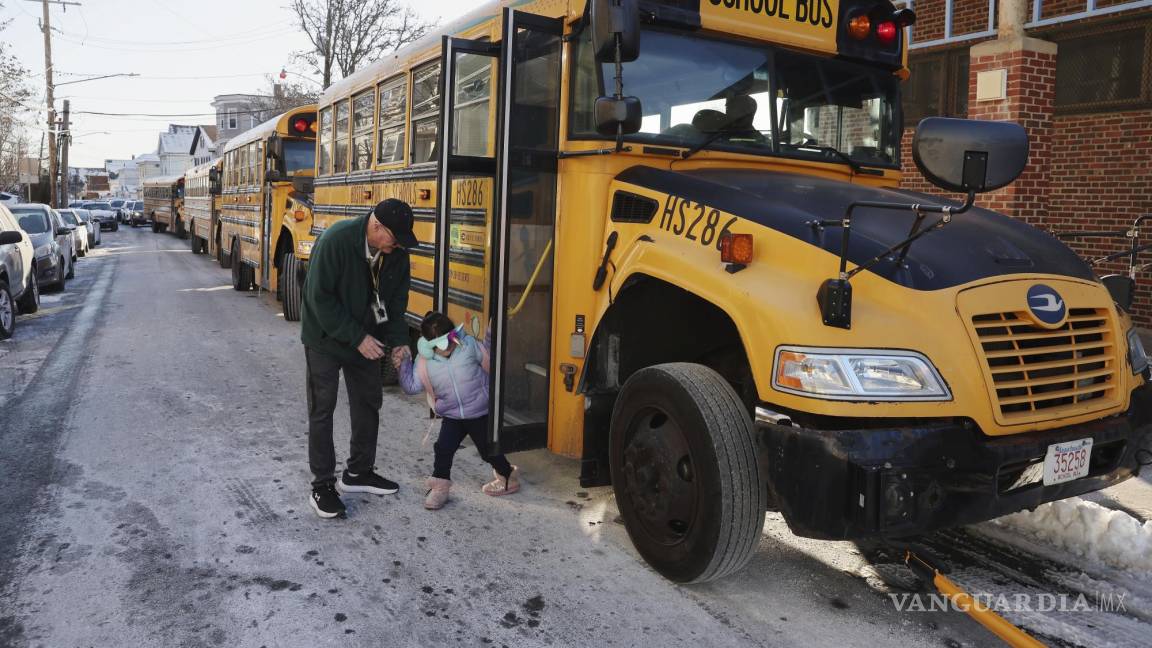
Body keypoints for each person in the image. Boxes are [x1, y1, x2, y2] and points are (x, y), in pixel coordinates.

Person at [300, 198, 417, 519]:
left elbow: (395, 304)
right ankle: (322, 485)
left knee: (368, 402)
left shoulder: (397, 254)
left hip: (367, 337)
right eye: (395, 238)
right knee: (322, 408)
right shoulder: (336, 240)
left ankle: (358, 473)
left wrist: (397, 343)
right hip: (325, 337)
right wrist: (357, 338)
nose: (398, 245)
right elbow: (319, 299)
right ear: (376, 226)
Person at [394, 311, 519, 510]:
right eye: (442, 344)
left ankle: (507, 475)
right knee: (443, 449)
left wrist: (490, 334)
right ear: (429, 344)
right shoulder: (424, 362)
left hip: (478, 412)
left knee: (488, 451)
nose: (450, 346)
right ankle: (440, 488)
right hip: (452, 415)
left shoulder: (468, 345)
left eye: (451, 339)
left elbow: (490, 356)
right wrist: (404, 365)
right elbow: (411, 387)